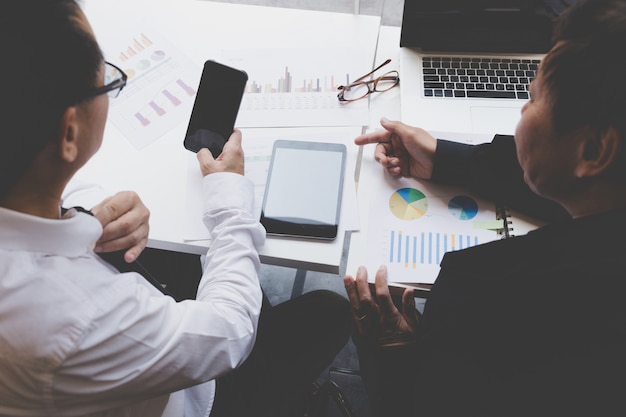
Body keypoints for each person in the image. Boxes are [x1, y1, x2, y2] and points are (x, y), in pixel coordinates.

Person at [0, 1, 350, 416]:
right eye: (107, 78)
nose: (111, 83)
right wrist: (230, 200)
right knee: (331, 312)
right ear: (70, 131)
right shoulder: (81, 314)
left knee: (181, 262)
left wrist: (85, 212)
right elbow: (229, 334)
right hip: (193, 399)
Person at [343, 0, 626, 415]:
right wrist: (443, 158)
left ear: (594, 150)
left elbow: (428, 404)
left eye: (532, 99)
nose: (520, 109)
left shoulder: (495, 302)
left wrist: (397, 349)